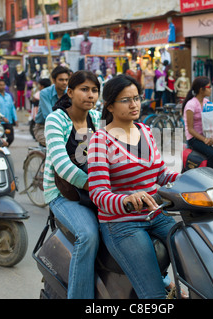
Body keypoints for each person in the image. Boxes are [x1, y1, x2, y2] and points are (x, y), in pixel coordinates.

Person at [88, 74, 180, 299]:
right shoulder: (100, 140)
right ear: (109, 105)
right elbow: (98, 193)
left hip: (155, 214)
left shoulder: (146, 131)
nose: (134, 104)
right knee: (155, 295)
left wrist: (189, 180)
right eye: (126, 100)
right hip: (123, 224)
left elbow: (160, 174)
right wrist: (127, 199)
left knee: (195, 255)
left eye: (137, 98)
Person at [44, 71, 102, 299]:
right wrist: (95, 186)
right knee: (88, 235)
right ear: (70, 92)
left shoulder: (97, 119)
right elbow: (61, 165)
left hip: (94, 191)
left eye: (94, 90)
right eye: (84, 89)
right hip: (62, 193)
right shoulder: (56, 119)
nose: (90, 95)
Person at [182, 76, 213, 170]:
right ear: (201, 89)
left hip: (206, 135)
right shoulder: (191, 105)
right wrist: (205, 139)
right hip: (194, 139)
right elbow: (190, 129)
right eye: (209, 87)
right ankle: (211, 178)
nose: (211, 89)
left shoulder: (206, 102)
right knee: (212, 154)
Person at [33, 65, 70, 146]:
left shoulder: (69, 93)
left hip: (65, 128)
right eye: (61, 80)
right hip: (43, 127)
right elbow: (49, 115)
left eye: (66, 80)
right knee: (57, 145)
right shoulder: (44, 93)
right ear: (54, 80)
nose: (64, 83)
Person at [0, 79, 18, 146]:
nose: (2, 86)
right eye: (0, 85)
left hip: (8, 121)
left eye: (3, 85)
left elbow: (12, 108)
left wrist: (15, 119)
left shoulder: (8, 96)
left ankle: (4, 148)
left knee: (11, 138)